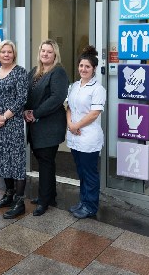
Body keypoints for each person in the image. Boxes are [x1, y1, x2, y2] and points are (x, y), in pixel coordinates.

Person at [24, 39, 69, 216]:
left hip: (50, 125)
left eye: (49, 52)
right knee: (44, 161)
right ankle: (50, 195)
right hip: (35, 125)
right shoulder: (35, 71)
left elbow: (56, 98)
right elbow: (26, 93)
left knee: (46, 162)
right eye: (43, 51)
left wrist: (35, 113)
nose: (45, 54)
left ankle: (44, 201)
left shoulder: (58, 72)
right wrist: (25, 110)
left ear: (55, 54)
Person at [0, 40, 28, 219]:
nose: (6, 54)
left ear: (14, 54)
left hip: (13, 124)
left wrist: (4, 116)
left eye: (9, 52)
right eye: (3, 52)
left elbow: (22, 99)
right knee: (3, 160)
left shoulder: (20, 72)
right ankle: (8, 194)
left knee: (16, 161)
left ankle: (19, 202)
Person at [66, 45, 107, 219]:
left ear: (94, 69)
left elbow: (94, 113)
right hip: (74, 136)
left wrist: (77, 126)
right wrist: (70, 124)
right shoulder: (74, 86)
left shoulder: (98, 89)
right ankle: (83, 202)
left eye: (87, 67)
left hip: (88, 137)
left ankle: (91, 206)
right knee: (81, 172)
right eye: (81, 66)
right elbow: (67, 106)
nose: (83, 69)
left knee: (90, 173)